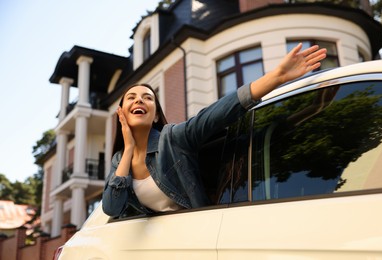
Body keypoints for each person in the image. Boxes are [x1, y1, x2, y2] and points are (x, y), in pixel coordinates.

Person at [102, 43, 327, 216]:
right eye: (131, 97)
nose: (139, 101)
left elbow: (215, 114)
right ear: (121, 112)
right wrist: (129, 148)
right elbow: (112, 208)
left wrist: (275, 77)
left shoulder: (172, 139)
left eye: (147, 98)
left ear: (157, 114)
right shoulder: (119, 162)